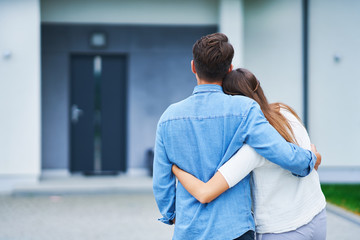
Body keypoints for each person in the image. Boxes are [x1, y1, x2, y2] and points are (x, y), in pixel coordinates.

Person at [152, 33, 318, 240]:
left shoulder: (168, 117)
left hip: (189, 231)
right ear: (229, 69)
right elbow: (284, 154)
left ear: (193, 66)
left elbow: (161, 181)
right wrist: (310, 157)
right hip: (235, 231)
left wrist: (171, 215)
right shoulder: (245, 109)